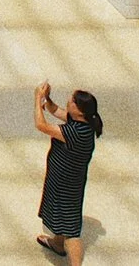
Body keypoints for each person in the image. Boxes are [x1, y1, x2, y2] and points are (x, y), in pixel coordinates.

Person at [33, 81, 104, 263]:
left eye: (72, 101)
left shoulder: (75, 132)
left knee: (72, 231)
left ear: (79, 110)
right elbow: (55, 110)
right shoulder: (83, 121)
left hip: (67, 184)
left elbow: (41, 125)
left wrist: (37, 99)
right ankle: (57, 244)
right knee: (60, 216)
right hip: (64, 179)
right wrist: (47, 98)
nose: (68, 101)